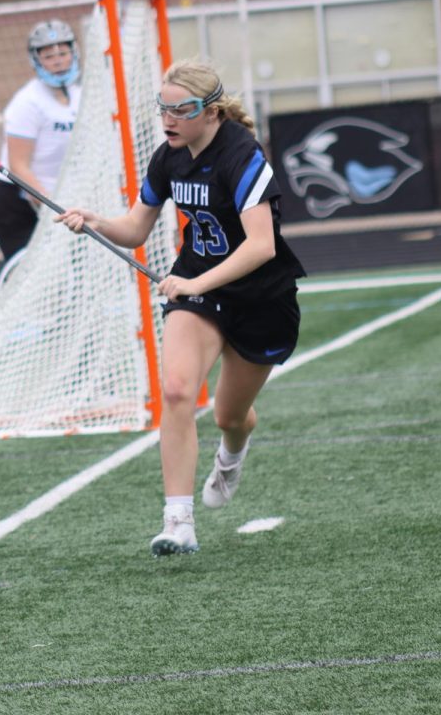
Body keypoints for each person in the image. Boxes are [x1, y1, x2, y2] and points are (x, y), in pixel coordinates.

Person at [57, 60, 305, 557]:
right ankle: (178, 522)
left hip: (261, 297)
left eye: (181, 110)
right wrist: (96, 221)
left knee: (231, 416)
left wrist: (192, 280)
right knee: (175, 391)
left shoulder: (243, 156)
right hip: (200, 289)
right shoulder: (168, 158)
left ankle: (232, 455)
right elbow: (135, 230)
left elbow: (261, 247)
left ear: (211, 113)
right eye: (162, 109)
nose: (168, 120)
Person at [0, 19, 82, 262]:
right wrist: (50, 205)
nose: (58, 60)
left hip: (56, 201)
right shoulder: (27, 102)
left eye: (63, 52)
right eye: (49, 56)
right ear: (36, 60)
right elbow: (19, 167)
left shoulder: (79, 95)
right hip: (18, 203)